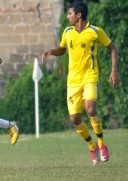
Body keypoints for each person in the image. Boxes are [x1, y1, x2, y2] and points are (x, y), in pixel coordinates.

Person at [41, 2, 119, 165]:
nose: (67, 16)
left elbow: (112, 48)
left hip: (90, 77)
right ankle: (92, 146)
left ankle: (101, 144)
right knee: (75, 118)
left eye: (70, 13)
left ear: (79, 15)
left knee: (90, 109)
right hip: (73, 81)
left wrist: (114, 71)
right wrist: (51, 51)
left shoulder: (95, 31)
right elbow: (62, 49)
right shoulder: (67, 31)